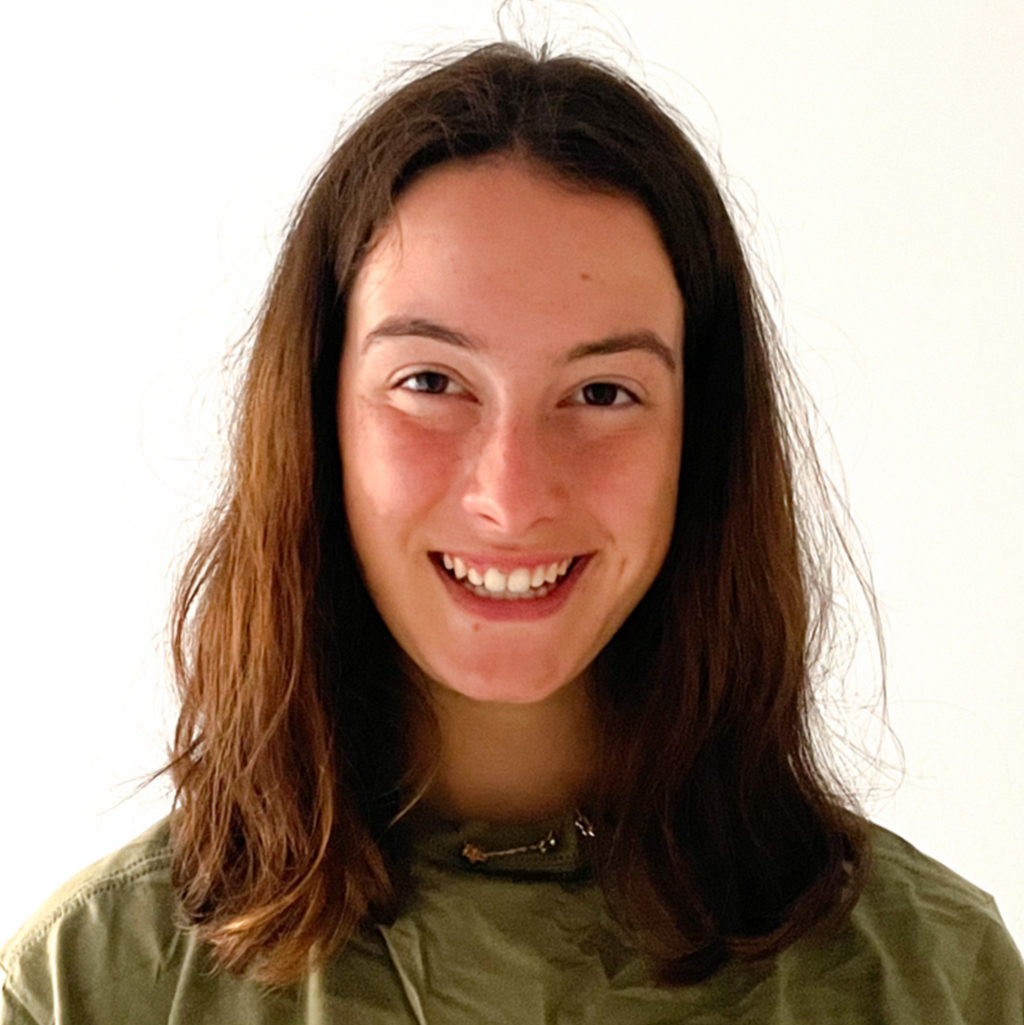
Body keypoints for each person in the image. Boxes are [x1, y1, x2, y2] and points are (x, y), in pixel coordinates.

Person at [2, 41, 1021, 1025]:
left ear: (698, 442)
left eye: (601, 391)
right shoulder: (86, 986)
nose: (511, 493)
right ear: (317, 422)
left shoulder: (938, 981)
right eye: (431, 382)